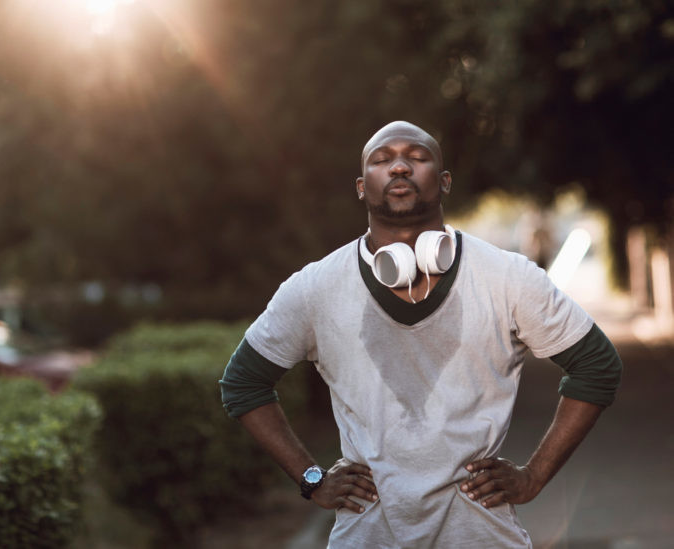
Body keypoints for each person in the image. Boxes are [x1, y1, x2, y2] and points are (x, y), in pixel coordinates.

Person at [219, 121, 622, 547]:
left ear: (445, 181)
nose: (399, 167)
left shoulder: (507, 277)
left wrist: (533, 477)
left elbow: (597, 366)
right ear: (361, 187)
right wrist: (311, 478)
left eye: (416, 157)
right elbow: (243, 384)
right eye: (382, 159)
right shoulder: (315, 288)